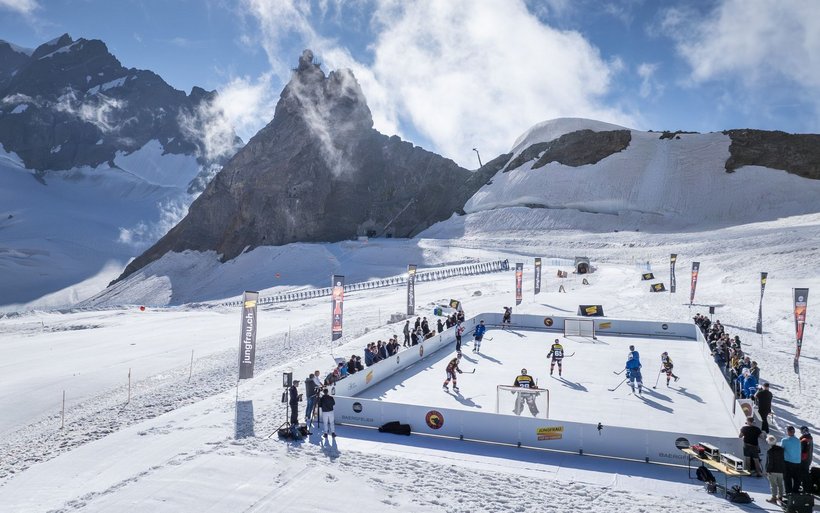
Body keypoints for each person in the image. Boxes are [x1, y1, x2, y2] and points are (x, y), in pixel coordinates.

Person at [764, 434, 786, 504]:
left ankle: (774, 498)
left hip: (773, 470)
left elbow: (770, 462)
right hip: (781, 469)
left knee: (773, 485)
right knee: (780, 484)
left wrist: (768, 470)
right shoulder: (781, 449)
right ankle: (780, 497)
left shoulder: (770, 451)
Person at [781, 426, 802, 494]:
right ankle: (795, 492)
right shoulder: (798, 441)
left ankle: (788, 493)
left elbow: (781, 450)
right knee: (796, 478)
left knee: (787, 478)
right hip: (798, 462)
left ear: (788, 432)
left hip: (788, 462)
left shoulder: (784, 440)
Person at [799, 426, 814, 493]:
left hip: (804, 459)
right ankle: (807, 487)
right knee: (806, 472)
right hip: (808, 458)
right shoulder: (810, 438)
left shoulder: (804, 439)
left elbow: (803, 450)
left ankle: (806, 488)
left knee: (803, 473)